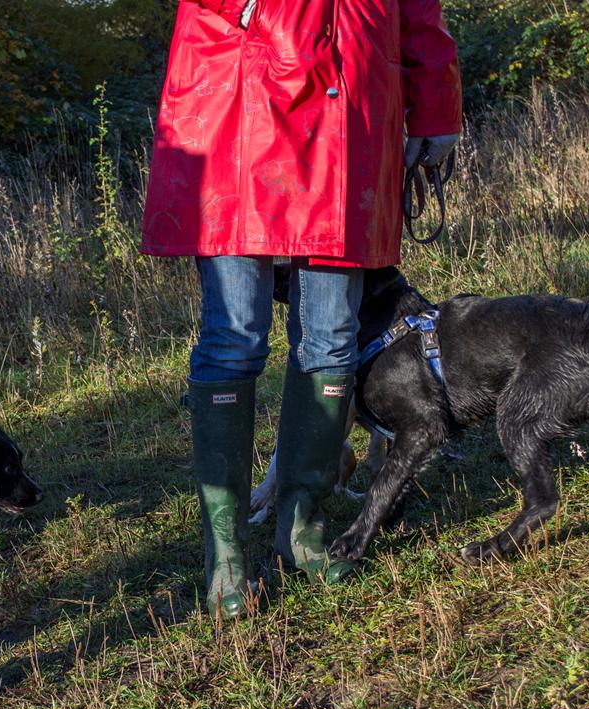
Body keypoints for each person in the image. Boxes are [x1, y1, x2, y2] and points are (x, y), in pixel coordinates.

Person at [141, 0, 462, 617]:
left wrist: (435, 96)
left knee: (333, 335)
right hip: (235, 94)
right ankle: (226, 555)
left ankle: (302, 530)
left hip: (353, 103)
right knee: (234, 335)